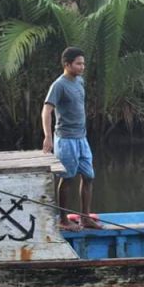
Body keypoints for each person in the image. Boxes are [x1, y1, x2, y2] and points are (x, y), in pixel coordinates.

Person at [42, 47, 103, 231]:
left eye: (83, 63)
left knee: (89, 176)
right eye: (78, 63)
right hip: (66, 139)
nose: (82, 67)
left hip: (81, 138)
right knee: (67, 179)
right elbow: (47, 110)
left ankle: (85, 217)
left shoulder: (79, 81)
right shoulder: (59, 85)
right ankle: (63, 219)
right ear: (67, 64)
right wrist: (48, 137)